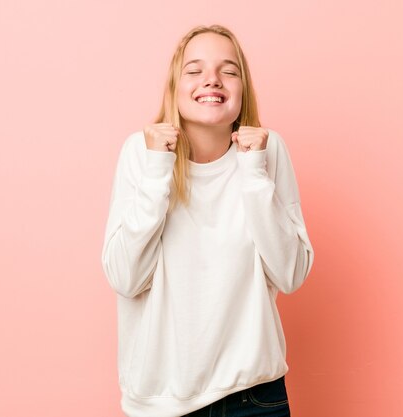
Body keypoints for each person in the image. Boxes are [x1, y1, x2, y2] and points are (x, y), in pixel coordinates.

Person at [101, 24, 314, 417]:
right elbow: (125, 278)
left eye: (228, 71)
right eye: (194, 70)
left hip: (255, 396)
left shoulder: (268, 150)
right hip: (162, 402)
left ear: (242, 88)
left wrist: (253, 172)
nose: (212, 80)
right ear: (175, 86)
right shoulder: (140, 153)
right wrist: (157, 171)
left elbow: (291, 273)